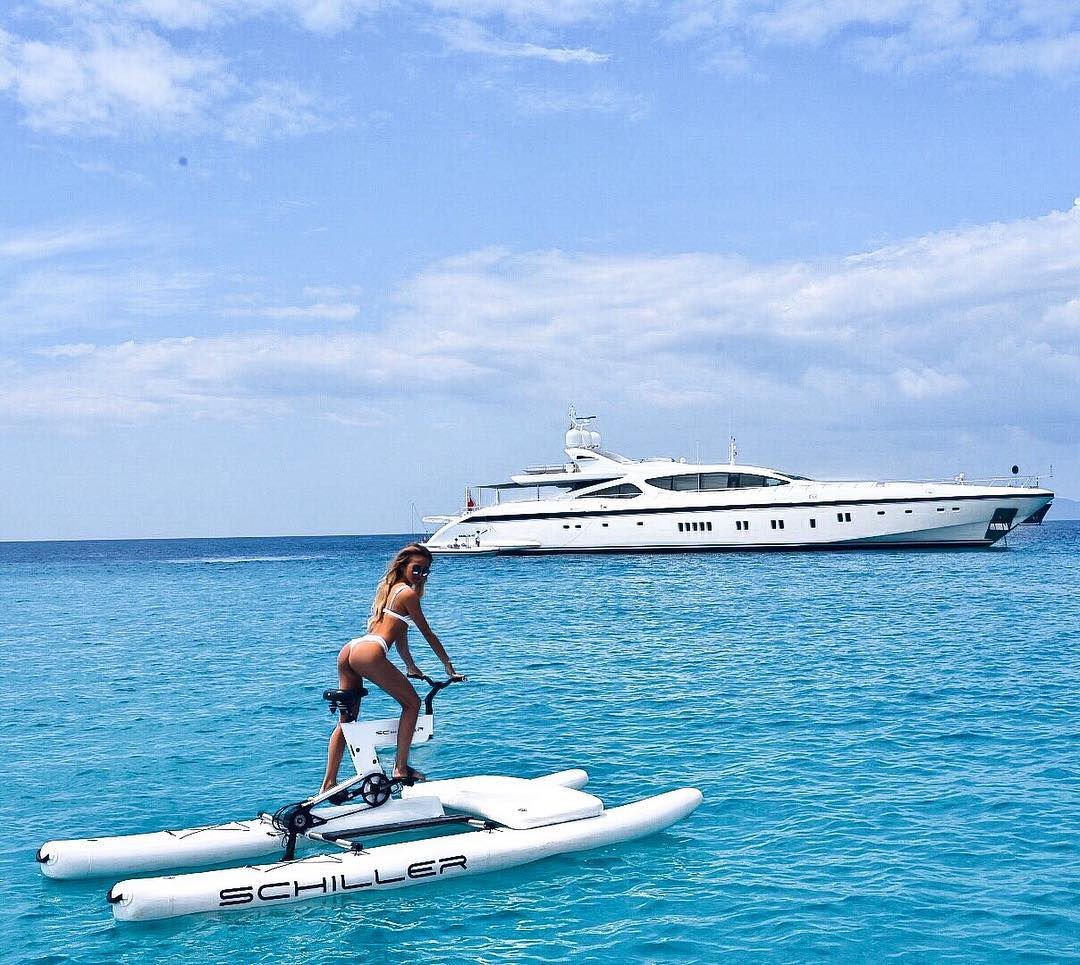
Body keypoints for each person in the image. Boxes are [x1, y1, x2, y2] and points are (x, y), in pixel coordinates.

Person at [320, 544, 463, 792]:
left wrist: (411, 666)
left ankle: (328, 784)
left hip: (352, 649)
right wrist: (448, 666)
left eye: (425, 571)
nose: (421, 575)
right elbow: (427, 632)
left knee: (348, 721)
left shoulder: (392, 590)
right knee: (412, 704)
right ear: (403, 565)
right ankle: (400, 767)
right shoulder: (408, 595)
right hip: (370, 652)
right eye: (416, 569)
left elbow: (400, 637)